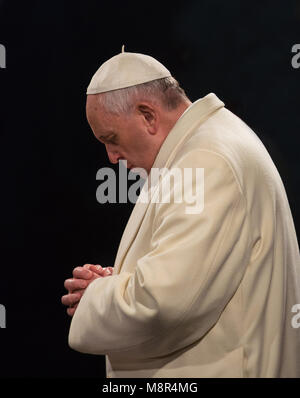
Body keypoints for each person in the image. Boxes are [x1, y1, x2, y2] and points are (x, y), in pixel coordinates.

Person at [61, 48, 300, 378]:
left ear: (148, 115)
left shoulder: (206, 160)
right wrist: (120, 283)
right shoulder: (202, 146)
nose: (111, 158)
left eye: (111, 139)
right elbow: (191, 277)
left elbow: (167, 304)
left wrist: (96, 297)